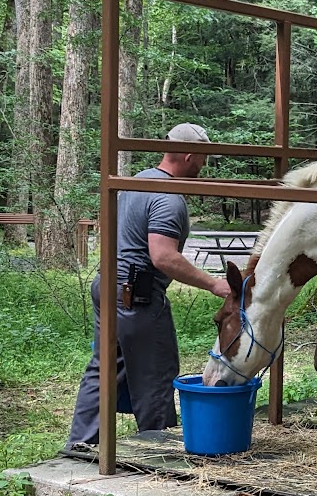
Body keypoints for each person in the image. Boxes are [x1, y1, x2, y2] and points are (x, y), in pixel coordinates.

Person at [65, 123, 233, 452]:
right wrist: (215, 284)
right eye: (203, 159)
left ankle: (80, 445)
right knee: (156, 372)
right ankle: (160, 449)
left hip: (108, 286)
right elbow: (163, 256)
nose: (204, 166)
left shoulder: (137, 180)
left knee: (104, 368)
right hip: (136, 296)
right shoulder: (168, 198)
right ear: (189, 155)